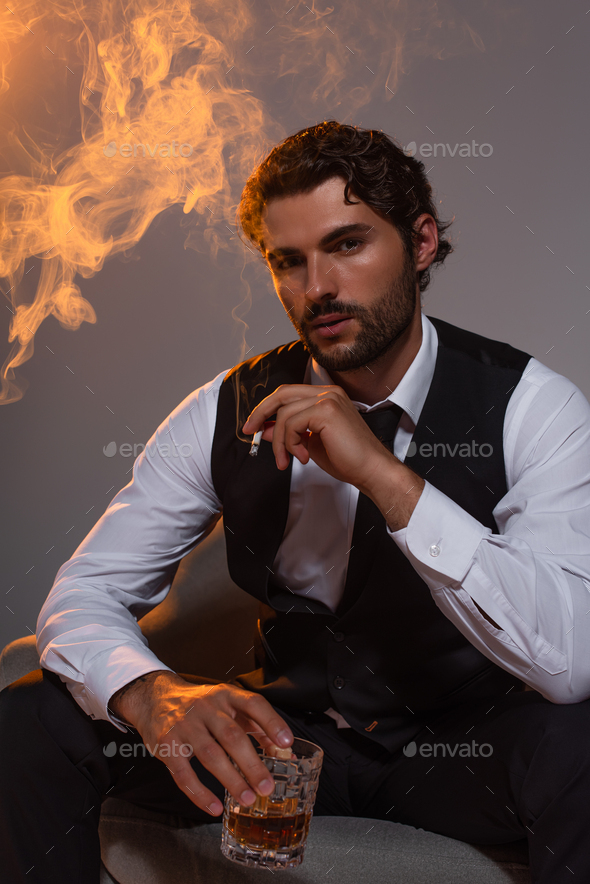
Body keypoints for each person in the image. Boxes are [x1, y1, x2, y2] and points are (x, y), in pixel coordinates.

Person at [1, 120, 590, 884]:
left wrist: (385, 476)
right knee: (29, 718)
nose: (318, 289)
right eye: (289, 261)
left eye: (347, 245)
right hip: (277, 750)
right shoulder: (224, 408)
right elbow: (84, 591)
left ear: (418, 243)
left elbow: (569, 663)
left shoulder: (532, 408)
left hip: (459, 753)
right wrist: (152, 696)